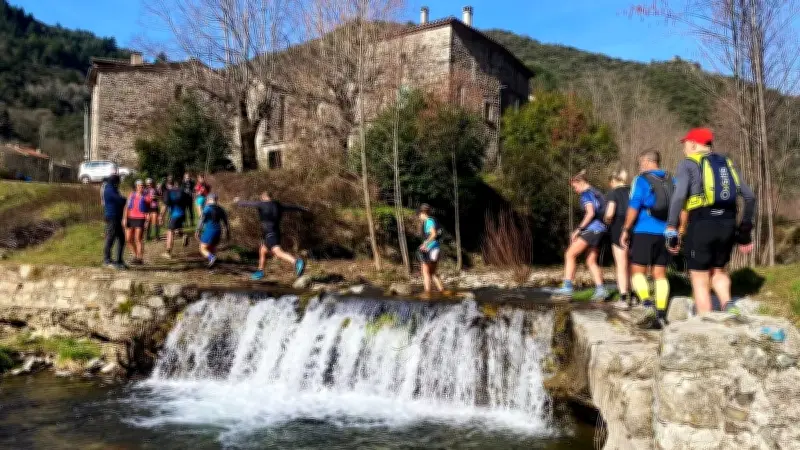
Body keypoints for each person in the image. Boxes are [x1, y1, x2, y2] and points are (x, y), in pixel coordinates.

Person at [666, 128, 756, 314]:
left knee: (699, 278)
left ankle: (706, 322)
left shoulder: (688, 164)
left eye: (685, 144)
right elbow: (749, 197)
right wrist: (745, 229)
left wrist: (671, 226)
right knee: (718, 271)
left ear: (692, 144)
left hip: (701, 223)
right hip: (728, 224)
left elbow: (678, 196)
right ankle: (728, 305)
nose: (684, 148)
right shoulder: (727, 163)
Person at [620, 151, 673, 325]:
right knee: (660, 274)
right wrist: (678, 231)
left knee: (637, 272)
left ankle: (647, 303)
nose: (639, 166)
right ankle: (661, 313)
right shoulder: (672, 180)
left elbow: (634, 206)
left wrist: (626, 229)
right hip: (665, 232)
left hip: (644, 230)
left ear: (648, 161)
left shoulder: (641, 180)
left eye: (640, 162)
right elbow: (681, 207)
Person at [553, 170, 608, 300]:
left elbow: (590, 213)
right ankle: (601, 290)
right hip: (602, 230)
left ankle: (567, 287)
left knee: (570, 254)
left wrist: (578, 229)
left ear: (580, 182)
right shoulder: (597, 192)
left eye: (574, 186)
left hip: (592, 229)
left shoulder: (586, 194)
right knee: (590, 261)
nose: (575, 190)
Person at [234, 191, 307, 280]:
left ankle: (296, 262)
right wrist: (302, 208)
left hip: (270, 232)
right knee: (263, 250)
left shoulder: (262, 204)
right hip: (275, 232)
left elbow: (249, 203)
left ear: (264, 197)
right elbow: (292, 207)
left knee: (278, 252)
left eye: (261, 198)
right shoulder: (279, 205)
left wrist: (238, 202)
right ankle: (260, 271)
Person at [604, 166, 631, 309]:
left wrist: (607, 221)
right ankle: (635, 295)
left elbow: (609, 213)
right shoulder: (633, 190)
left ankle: (623, 296)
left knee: (621, 264)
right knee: (632, 264)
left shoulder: (613, 193)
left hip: (618, 226)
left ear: (614, 180)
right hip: (634, 226)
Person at [195, 193, 230, 268]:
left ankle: (211, 258)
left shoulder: (207, 209)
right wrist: (227, 232)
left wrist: (198, 231)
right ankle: (213, 266)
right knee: (212, 247)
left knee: (202, 248)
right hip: (218, 230)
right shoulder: (221, 209)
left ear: (209, 200)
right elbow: (226, 222)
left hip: (210, 230)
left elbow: (201, 220)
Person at [416, 204, 444, 294]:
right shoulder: (433, 220)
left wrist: (425, 244)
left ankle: (427, 293)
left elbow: (433, 234)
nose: (419, 216)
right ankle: (442, 291)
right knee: (433, 273)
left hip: (430, 249)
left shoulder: (428, 221)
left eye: (419, 214)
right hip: (436, 248)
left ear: (423, 213)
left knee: (425, 272)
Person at [102, 175, 127, 269]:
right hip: (112, 217)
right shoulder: (109, 189)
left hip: (117, 216)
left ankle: (119, 260)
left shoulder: (112, 188)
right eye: (118, 182)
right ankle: (107, 260)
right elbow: (119, 199)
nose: (119, 184)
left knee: (121, 238)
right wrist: (124, 199)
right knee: (110, 238)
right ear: (115, 181)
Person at [161, 181, 191, 259]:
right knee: (177, 229)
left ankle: (168, 252)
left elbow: (165, 206)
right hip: (182, 214)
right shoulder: (182, 192)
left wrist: (161, 217)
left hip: (175, 215)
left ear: (168, 185)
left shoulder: (168, 192)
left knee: (170, 232)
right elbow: (189, 202)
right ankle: (184, 235)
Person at [123, 179, 150, 264]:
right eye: (139, 186)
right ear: (136, 187)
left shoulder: (146, 197)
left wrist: (147, 221)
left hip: (140, 218)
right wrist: (124, 218)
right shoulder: (131, 195)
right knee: (128, 239)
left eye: (142, 186)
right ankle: (135, 255)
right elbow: (127, 207)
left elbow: (148, 210)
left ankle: (139, 258)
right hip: (130, 218)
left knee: (138, 239)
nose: (140, 187)